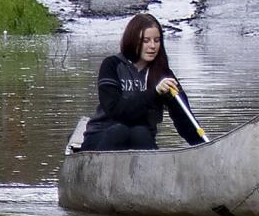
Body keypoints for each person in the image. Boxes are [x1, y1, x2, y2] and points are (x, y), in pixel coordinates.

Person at [80, 13, 205, 152]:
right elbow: (116, 111)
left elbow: (184, 119)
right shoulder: (111, 65)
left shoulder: (163, 74)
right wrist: (155, 93)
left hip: (140, 139)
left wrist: (203, 147)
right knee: (120, 131)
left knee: (141, 133)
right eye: (146, 41)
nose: (153, 46)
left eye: (157, 40)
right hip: (102, 136)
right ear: (133, 40)